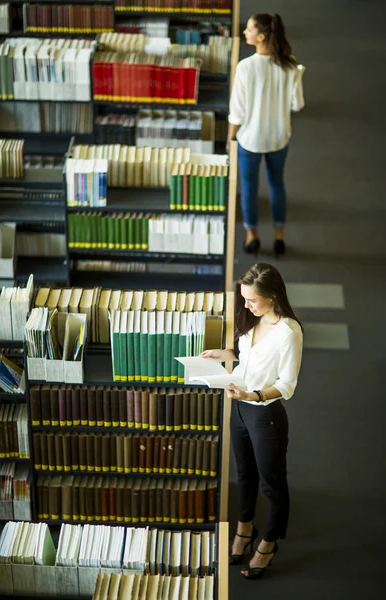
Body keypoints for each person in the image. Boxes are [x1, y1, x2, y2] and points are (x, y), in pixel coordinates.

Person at [201, 263, 303, 579]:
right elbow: (247, 356)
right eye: (244, 299)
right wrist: (224, 354)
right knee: (244, 473)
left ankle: (269, 541)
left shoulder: (289, 332)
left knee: (271, 484)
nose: (246, 305)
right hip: (241, 409)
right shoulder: (251, 319)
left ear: (271, 296)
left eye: (252, 300)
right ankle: (245, 527)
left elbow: (287, 385)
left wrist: (252, 396)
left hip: (265, 415)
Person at [227, 14, 306, 257]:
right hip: (279, 137)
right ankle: (279, 236)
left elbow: (237, 112)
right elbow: (297, 105)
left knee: (249, 188)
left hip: (250, 140)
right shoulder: (289, 64)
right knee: (277, 185)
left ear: (261, 37)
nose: (244, 33)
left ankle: (252, 237)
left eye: (249, 29)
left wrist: (230, 139)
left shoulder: (246, 67)